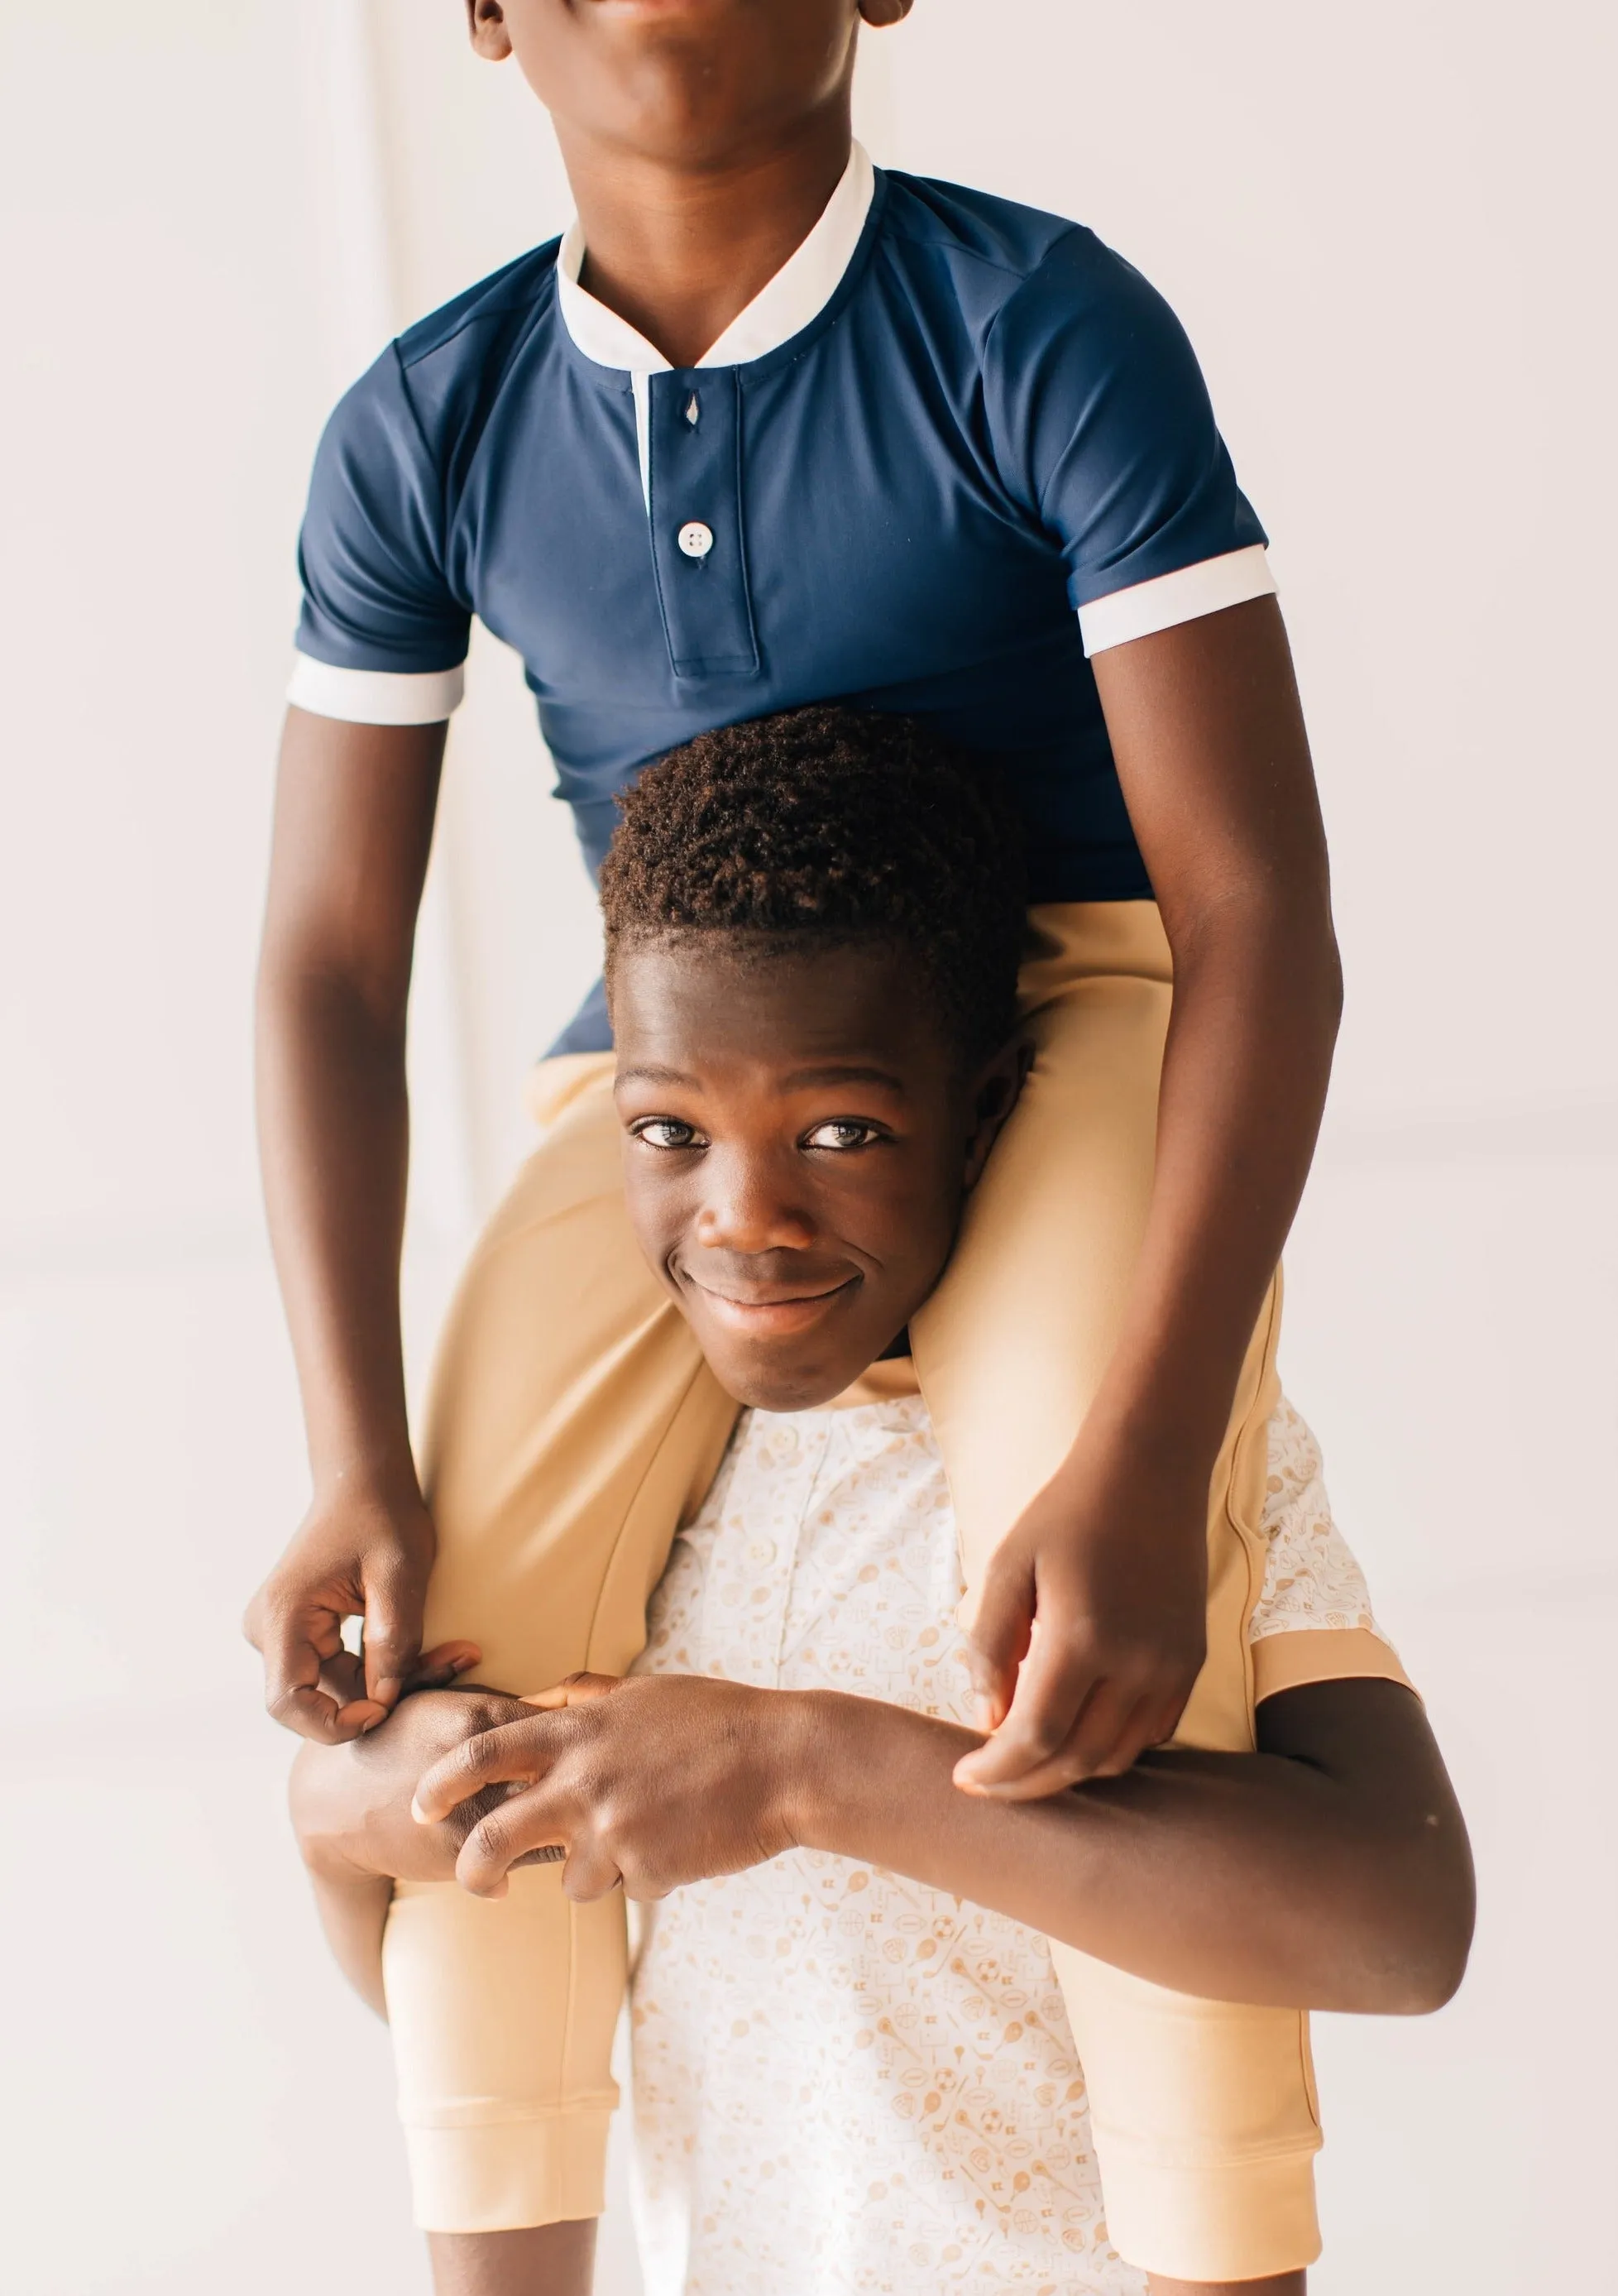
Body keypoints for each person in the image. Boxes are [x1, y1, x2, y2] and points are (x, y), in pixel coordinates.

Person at [247, 0, 1347, 2279]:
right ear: (477, 13)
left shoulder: (1030, 324)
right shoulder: (430, 423)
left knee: (1082, 1632)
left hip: (1071, 986)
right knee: (467, 1635)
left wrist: (1142, 1465)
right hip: (660, 1053)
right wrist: (351, 1446)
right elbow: (329, 973)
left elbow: (1256, 908)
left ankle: (1224, 2246)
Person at [288, 708, 1473, 2296]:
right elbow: (499, 1974)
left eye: (842, 1131)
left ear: (983, 1115)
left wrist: (803, 1768)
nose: (746, 1216)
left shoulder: (1123, 1473)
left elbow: (1399, 1924)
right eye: (667, 1133)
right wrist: (334, 1813)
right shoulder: (615, 1496)